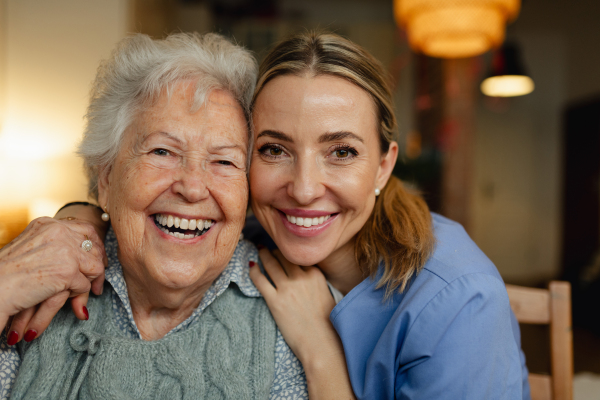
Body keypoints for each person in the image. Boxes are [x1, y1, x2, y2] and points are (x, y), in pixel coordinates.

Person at [4, 32, 530, 399]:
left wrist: (321, 351)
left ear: (384, 165)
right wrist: (80, 221)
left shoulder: (458, 299)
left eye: (342, 151)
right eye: (274, 150)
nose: (302, 189)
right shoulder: (244, 232)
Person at [0, 32, 310, 399]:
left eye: (224, 161)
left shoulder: (291, 319)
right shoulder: (38, 282)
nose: (193, 188)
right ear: (107, 176)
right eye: (162, 151)